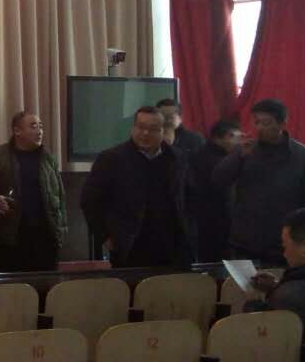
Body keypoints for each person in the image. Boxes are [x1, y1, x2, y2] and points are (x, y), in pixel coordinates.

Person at [215, 98, 305, 266]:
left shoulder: (303, 156)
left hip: (286, 239)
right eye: (256, 122)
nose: (259, 128)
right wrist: (239, 156)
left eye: (266, 123)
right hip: (246, 238)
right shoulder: (246, 149)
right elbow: (219, 179)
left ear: (282, 124)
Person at [81, 107, 192, 267]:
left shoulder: (176, 158)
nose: (145, 133)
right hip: (129, 244)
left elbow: (189, 196)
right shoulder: (112, 159)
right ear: (133, 128)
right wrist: (105, 236)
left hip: (172, 244)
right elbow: (89, 200)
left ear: (163, 131)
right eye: (141, 127)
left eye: (152, 129)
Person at [0, 110, 66, 272]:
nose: (39, 131)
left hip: (45, 237)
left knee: (46, 284)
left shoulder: (48, 158)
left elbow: (59, 195)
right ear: (17, 131)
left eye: (41, 127)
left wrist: (61, 230)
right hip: (10, 238)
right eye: (33, 126)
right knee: (12, 286)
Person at [190, 119, 243, 264]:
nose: (239, 143)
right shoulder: (216, 161)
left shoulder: (202, 153)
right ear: (225, 137)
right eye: (236, 137)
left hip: (204, 223)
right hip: (215, 223)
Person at [156, 97, 205, 165]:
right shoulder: (149, 137)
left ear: (180, 117)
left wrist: (170, 147)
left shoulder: (195, 139)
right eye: (163, 116)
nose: (167, 120)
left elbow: (201, 165)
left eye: (170, 117)